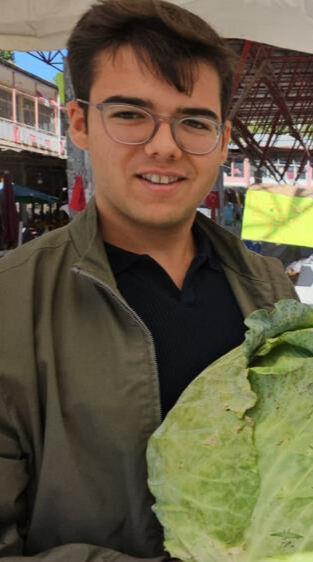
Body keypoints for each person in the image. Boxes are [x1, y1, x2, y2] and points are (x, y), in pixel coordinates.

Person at [0, 1, 298, 558]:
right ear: (81, 124)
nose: (165, 145)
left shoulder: (271, 289)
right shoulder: (10, 302)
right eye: (131, 114)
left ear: (222, 138)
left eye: (193, 121)